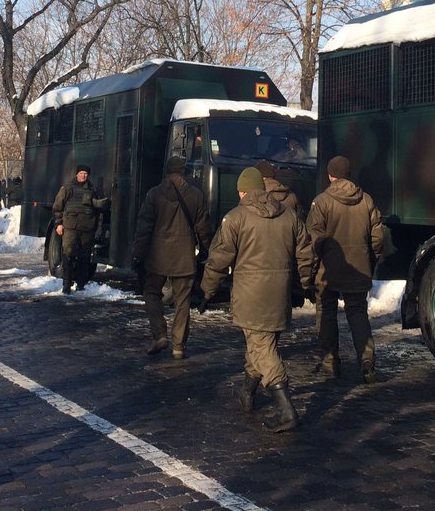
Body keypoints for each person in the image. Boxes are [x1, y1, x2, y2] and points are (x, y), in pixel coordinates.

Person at [199, 166, 314, 432]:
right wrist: (305, 284)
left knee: (262, 348)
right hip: (280, 293)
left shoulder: (235, 218)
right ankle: (247, 392)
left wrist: (207, 290)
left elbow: (219, 259)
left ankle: (286, 410)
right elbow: (306, 253)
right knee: (262, 343)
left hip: (250, 295)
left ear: (242, 191)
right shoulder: (289, 216)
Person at [306, 155, 384, 383]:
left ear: (330, 175)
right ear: (349, 174)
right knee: (358, 312)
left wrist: (312, 269)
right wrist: (370, 261)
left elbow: (315, 240)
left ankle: (330, 363)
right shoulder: (366, 200)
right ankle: (367, 360)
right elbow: (377, 238)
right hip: (358, 268)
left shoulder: (321, 202)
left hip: (328, 269)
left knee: (326, 312)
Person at [131, 155, 211, 360]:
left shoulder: (154, 194)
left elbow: (144, 228)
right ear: (184, 171)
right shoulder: (196, 195)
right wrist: (205, 250)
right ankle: (178, 347)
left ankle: (159, 334)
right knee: (182, 301)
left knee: (151, 292)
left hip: (157, 256)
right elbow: (203, 228)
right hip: (184, 256)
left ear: (167, 171)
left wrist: (138, 253)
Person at [51, 164, 109, 294]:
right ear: (77, 174)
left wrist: (98, 226)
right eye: (81, 173)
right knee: (68, 255)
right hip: (70, 227)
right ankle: (67, 284)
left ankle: (81, 284)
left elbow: (97, 209)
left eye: (86, 174)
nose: (83, 176)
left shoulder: (92, 189)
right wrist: (58, 223)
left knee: (84, 257)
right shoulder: (67, 187)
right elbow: (57, 207)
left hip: (87, 228)